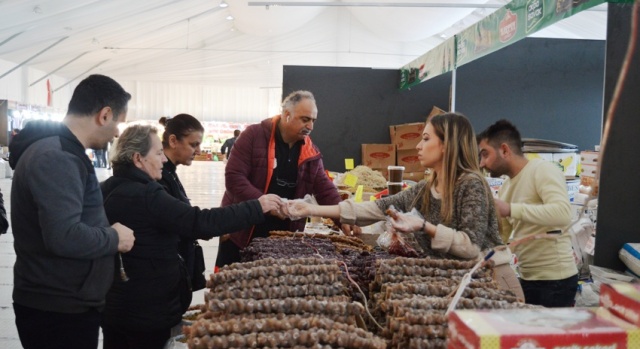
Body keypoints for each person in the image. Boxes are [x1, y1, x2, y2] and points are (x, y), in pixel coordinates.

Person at [91, 125, 282, 349]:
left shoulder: (107, 188)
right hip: (147, 308)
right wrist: (256, 207)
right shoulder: (147, 195)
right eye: (158, 153)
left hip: (114, 302)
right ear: (139, 159)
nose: (164, 160)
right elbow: (199, 222)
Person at [8, 74, 135, 349]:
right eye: (118, 125)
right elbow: (63, 235)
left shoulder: (62, 151)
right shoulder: (56, 157)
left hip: (62, 300)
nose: (115, 135)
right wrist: (114, 238)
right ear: (104, 114)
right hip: (59, 307)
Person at [288, 112, 523, 298]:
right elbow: (374, 209)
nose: (419, 146)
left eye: (426, 139)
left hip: (494, 286)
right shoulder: (425, 188)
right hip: (467, 285)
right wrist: (311, 209)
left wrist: (423, 226)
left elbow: (470, 246)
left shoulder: (471, 184)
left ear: (446, 145)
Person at [215, 90, 355, 268]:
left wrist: (343, 219)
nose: (310, 126)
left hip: (282, 239)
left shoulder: (310, 151)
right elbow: (234, 178)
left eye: (313, 120)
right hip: (242, 230)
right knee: (231, 286)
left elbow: (325, 189)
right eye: (305, 119)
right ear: (287, 115)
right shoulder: (253, 136)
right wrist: (264, 204)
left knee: (272, 288)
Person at [477, 119, 578, 307]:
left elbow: (563, 213)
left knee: (548, 336)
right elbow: (501, 238)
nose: (482, 163)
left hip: (556, 281)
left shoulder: (542, 170)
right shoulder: (506, 187)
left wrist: (510, 209)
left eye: (485, 154)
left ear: (505, 150)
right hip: (527, 278)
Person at [158, 114, 207, 291]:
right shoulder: (160, 176)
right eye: (193, 144)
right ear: (173, 141)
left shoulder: (169, 173)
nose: (199, 151)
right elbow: (186, 221)